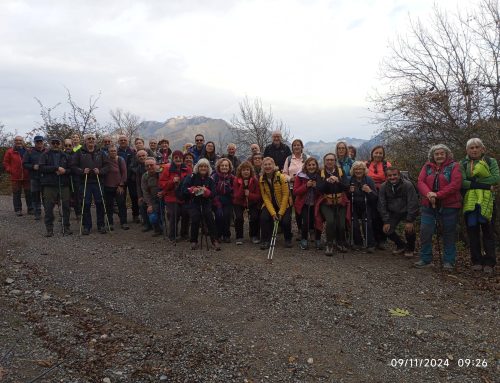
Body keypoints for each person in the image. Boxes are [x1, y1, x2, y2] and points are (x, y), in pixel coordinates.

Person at [415, 144, 462, 270]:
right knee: (425, 231)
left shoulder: (454, 166)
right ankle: (426, 258)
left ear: (447, 154)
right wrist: (429, 194)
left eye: (442, 153)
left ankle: (449, 261)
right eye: (437, 154)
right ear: (433, 156)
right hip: (428, 205)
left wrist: (437, 195)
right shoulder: (427, 166)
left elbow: (455, 184)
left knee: (448, 233)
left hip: (449, 206)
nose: (439, 156)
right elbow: (420, 181)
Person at [459, 138, 499, 274]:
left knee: (488, 232)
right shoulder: (462, 163)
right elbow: (461, 183)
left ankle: (490, 262)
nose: (474, 150)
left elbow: (496, 178)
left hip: (488, 202)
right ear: (467, 150)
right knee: (472, 232)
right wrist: (486, 185)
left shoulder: (490, 161)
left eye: (477, 147)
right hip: (470, 203)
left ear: (483, 149)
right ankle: (476, 261)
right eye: (471, 148)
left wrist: (472, 181)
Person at [72, 134, 108, 235]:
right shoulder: (79, 152)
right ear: (85, 141)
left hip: (98, 181)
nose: (91, 140)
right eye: (89, 139)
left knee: (100, 203)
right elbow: (73, 166)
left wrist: (100, 171)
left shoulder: (101, 152)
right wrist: (82, 170)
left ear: (95, 141)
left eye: (93, 139)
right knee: (85, 204)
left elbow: (107, 166)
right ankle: (86, 226)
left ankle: (101, 225)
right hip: (85, 182)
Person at [378, 167, 419, 258]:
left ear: (399, 175)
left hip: (407, 211)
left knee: (409, 229)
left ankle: (410, 248)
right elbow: (382, 204)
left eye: (394, 175)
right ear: (386, 177)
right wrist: (386, 221)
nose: (392, 177)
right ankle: (401, 245)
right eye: (389, 175)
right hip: (393, 212)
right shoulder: (383, 186)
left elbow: (413, 202)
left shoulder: (408, 185)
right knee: (387, 230)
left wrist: (410, 220)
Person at [181, 158, 220, 250]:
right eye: (201, 166)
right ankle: (193, 241)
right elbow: (183, 190)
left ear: (208, 168)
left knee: (210, 218)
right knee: (195, 218)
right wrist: (192, 189)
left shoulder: (210, 179)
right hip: (194, 202)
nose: (203, 168)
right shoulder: (191, 177)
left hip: (206, 202)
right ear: (197, 167)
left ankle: (214, 240)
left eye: (205, 166)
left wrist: (207, 192)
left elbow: (214, 193)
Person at [38, 137, 72, 236]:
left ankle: (66, 227)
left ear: (60, 144)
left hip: (63, 184)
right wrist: (55, 168)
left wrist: (65, 171)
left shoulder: (65, 155)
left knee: (66, 207)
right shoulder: (45, 155)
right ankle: (49, 228)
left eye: (57, 142)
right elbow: (41, 167)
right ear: (50, 144)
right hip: (49, 185)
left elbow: (71, 169)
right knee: (48, 207)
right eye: (53, 143)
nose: (56, 144)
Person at [316, 153, 349, 255]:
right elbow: (319, 189)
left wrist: (338, 181)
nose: (329, 162)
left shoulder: (340, 171)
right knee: (330, 221)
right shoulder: (320, 173)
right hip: (326, 202)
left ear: (335, 161)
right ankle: (329, 244)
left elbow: (346, 187)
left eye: (332, 160)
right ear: (325, 161)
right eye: (327, 160)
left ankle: (340, 242)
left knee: (341, 224)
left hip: (340, 201)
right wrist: (327, 181)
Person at [259, 157, 293, 249]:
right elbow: (265, 197)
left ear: (274, 165)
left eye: (269, 164)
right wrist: (273, 213)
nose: (267, 166)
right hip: (270, 203)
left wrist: (280, 213)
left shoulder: (281, 177)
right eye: (265, 165)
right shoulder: (262, 179)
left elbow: (286, 195)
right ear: (262, 166)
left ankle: (288, 238)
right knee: (264, 217)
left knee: (286, 221)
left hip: (284, 204)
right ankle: (266, 240)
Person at [159, 150, 192, 241]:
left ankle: (184, 234)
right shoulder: (167, 168)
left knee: (186, 212)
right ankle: (172, 235)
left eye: (180, 158)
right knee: (174, 213)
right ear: (172, 159)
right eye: (176, 158)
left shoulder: (188, 169)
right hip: (171, 196)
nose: (178, 159)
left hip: (184, 196)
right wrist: (172, 182)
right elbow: (161, 183)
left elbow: (191, 182)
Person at [293, 157, 323, 250]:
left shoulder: (320, 176)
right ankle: (304, 238)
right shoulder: (300, 176)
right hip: (304, 204)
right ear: (305, 166)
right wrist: (306, 186)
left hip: (316, 203)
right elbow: (295, 191)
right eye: (309, 165)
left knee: (318, 220)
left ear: (316, 166)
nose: (311, 167)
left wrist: (316, 186)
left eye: (313, 165)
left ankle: (318, 239)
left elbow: (323, 191)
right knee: (305, 221)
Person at [348, 161, 378, 252]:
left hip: (366, 205)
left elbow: (375, 197)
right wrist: (349, 191)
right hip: (354, 206)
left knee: (367, 223)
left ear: (364, 170)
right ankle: (358, 243)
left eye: (360, 169)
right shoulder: (350, 180)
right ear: (353, 170)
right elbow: (346, 196)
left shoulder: (369, 180)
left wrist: (369, 191)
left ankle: (370, 244)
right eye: (356, 169)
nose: (358, 171)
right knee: (354, 224)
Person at [366, 145, 392, 249]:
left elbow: (391, 178)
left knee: (382, 215)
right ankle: (374, 239)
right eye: (376, 152)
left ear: (383, 154)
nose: (378, 155)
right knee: (373, 216)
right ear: (372, 153)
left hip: (383, 193)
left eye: (380, 153)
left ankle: (382, 239)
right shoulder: (367, 164)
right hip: (370, 193)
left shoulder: (387, 165)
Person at [233, 161, 262, 245]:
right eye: (243, 170)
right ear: (240, 172)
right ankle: (239, 236)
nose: (246, 172)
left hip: (251, 202)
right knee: (239, 218)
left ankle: (253, 235)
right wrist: (243, 185)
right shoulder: (236, 180)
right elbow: (237, 196)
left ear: (250, 171)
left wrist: (249, 194)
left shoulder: (255, 181)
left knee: (254, 217)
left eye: (247, 170)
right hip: (239, 202)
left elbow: (258, 196)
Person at [282, 138, 308, 233]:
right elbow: (284, 173)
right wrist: (290, 179)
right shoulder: (288, 159)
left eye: (298, 145)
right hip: (291, 188)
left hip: (304, 188)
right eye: (294, 145)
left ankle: (307, 228)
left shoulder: (306, 158)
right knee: (296, 208)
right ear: (292, 148)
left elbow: (312, 170)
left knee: (304, 208)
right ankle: (300, 229)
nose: (296, 147)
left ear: (302, 147)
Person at [3, 135, 32, 216]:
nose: (18, 142)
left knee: (29, 193)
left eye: (20, 140)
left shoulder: (28, 151)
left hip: (27, 176)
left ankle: (31, 209)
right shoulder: (10, 151)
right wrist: (10, 170)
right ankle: (18, 210)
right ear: (14, 142)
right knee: (16, 194)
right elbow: (5, 163)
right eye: (16, 140)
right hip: (15, 176)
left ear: (23, 141)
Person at [103, 145, 129, 231]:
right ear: (108, 152)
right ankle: (110, 223)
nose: (113, 152)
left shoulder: (120, 159)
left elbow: (124, 173)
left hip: (119, 187)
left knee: (121, 204)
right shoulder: (105, 160)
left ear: (117, 151)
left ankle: (124, 222)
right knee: (109, 205)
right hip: (107, 186)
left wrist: (121, 185)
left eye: (114, 151)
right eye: (111, 151)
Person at [211, 158, 235, 243]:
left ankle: (226, 235)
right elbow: (212, 191)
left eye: (226, 165)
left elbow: (235, 190)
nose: (224, 167)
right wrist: (217, 203)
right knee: (218, 216)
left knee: (226, 216)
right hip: (217, 200)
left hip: (228, 201)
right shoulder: (214, 177)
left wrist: (230, 190)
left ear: (229, 167)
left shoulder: (232, 177)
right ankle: (218, 234)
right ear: (219, 167)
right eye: (222, 165)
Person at [117, 135, 140, 223]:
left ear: (127, 141)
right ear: (119, 141)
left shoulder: (133, 151)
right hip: (120, 178)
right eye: (121, 140)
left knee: (134, 197)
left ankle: (136, 215)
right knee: (121, 198)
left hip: (131, 178)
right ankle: (123, 217)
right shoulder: (117, 152)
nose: (123, 141)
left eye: (124, 140)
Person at [23, 135, 45, 220]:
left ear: (43, 142)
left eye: (41, 141)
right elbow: (24, 164)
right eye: (37, 141)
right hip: (34, 177)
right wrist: (32, 166)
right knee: (35, 196)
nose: (39, 143)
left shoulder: (47, 151)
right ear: (35, 142)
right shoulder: (29, 152)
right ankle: (37, 213)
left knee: (46, 196)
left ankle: (48, 212)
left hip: (45, 178)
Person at [141, 157, 164, 237]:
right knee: (153, 217)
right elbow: (145, 192)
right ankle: (157, 229)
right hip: (153, 200)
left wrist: (163, 192)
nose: (149, 167)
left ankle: (165, 228)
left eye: (151, 165)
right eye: (147, 166)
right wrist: (149, 205)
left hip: (165, 198)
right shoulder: (144, 176)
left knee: (165, 215)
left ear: (156, 165)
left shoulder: (162, 171)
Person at [133, 150, 150, 231]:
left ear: (147, 155)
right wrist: (140, 196)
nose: (142, 157)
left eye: (143, 155)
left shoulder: (152, 164)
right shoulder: (138, 169)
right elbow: (138, 184)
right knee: (142, 205)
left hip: (154, 191)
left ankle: (158, 225)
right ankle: (147, 224)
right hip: (143, 191)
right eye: (139, 156)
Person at [63, 139, 80, 219]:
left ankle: (78, 213)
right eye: (66, 145)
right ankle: (65, 215)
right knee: (65, 198)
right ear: (64, 146)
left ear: (73, 146)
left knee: (76, 196)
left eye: (70, 145)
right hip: (65, 179)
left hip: (75, 178)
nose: (68, 147)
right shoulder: (61, 155)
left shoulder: (77, 154)